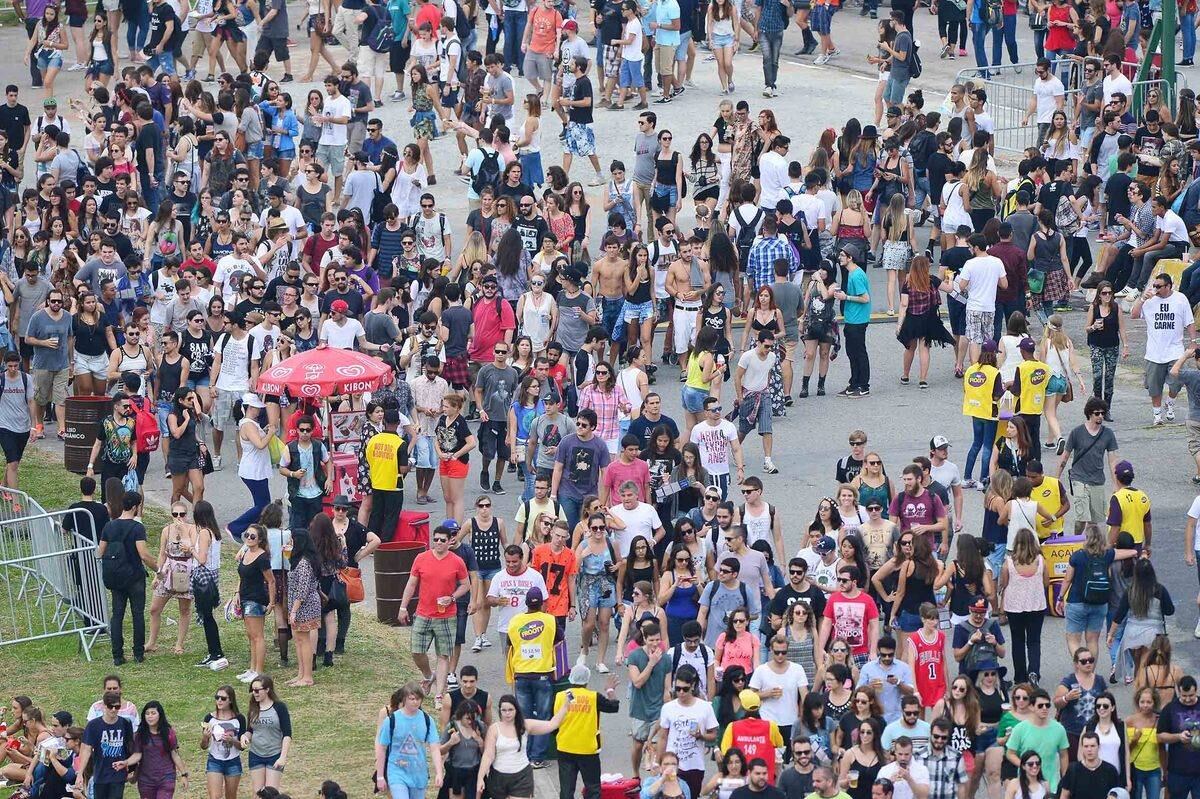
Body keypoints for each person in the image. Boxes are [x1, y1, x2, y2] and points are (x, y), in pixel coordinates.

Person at [398, 523, 471, 704]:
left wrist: (452, 598)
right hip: (423, 613)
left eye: (442, 540)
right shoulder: (421, 558)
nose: (438, 543)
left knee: (443, 655)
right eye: (435, 539)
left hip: (446, 616)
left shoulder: (456, 561)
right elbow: (412, 584)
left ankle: (439, 694)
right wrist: (403, 607)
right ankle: (429, 675)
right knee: (416, 651)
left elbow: (466, 585)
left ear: (450, 541)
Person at [96, 491, 156, 666]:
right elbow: (144, 555)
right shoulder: (137, 528)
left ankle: (117, 655)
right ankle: (138, 653)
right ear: (136, 507)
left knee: (117, 615)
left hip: (115, 576)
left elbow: (100, 552)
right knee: (137, 614)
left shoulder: (109, 526)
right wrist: (158, 570)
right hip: (134, 576)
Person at [1055, 398, 1121, 535]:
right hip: (1079, 478)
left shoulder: (1108, 434)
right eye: (1097, 413)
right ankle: (1076, 541)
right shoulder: (1077, 432)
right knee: (1081, 518)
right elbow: (1065, 456)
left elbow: (1112, 460)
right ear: (1089, 414)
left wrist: (1116, 484)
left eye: (1103, 413)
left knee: (1095, 521)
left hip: (1097, 480)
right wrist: (1056, 478)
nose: (1101, 416)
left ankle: (1091, 547)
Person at [555, 662, 621, 799]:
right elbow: (614, 707)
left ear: (570, 678)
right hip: (588, 750)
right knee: (593, 789)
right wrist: (610, 690)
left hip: (565, 748)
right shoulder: (593, 697)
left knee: (566, 791)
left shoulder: (560, 696)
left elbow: (553, 722)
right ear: (587, 679)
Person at [657, 663, 718, 799]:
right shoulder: (668, 708)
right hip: (671, 764)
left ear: (693, 687)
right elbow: (663, 737)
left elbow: (713, 735)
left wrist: (700, 736)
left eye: (685, 689)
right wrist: (657, 762)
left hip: (695, 765)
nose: (681, 693)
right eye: (678, 689)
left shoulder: (705, 707)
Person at [375, 681, 444, 799]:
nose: (415, 702)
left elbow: (434, 748)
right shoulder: (392, 720)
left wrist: (439, 772)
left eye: (418, 699)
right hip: (397, 772)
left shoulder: (427, 720)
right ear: (404, 699)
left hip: (419, 773)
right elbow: (382, 748)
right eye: (412, 699)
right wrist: (380, 776)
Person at [1005, 688, 1070, 794]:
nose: (1044, 708)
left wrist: (1065, 780)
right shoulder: (1020, 729)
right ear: (1031, 707)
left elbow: (1064, 755)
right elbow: (1010, 753)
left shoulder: (1059, 729)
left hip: (1051, 785)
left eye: (1047, 705)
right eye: (1040, 706)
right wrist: (1025, 766)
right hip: (1026, 786)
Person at [628, 620, 672, 774]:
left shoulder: (666, 659)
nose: (655, 643)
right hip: (639, 709)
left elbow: (667, 686)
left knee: (657, 745)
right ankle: (635, 774)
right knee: (638, 745)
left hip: (658, 709)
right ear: (645, 639)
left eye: (658, 640)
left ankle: (657, 777)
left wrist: (668, 699)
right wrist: (651, 663)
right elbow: (637, 682)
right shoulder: (634, 656)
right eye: (652, 640)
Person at [76, 690, 135, 799]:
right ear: (104, 706)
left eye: (117, 707)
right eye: (110, 706)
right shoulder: (93, 725)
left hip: (118, 774)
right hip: (100, 773)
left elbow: (130, 746)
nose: (113, 710)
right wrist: (80, 773)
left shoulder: (125, 723)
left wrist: (131, 767)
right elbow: (86, 749)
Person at [721, 692, 786, 784]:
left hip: (739, 781)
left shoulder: (732, 727)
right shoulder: (771, 726)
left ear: (742, 707)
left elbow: (725, 753)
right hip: (764, 780)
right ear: (759, 706)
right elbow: (780, 746)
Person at [1058, 732, 1120, 799]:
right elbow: (1064, 795)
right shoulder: (1073, 769)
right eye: (1086, 746)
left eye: (1092, 746)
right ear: (1082, 748)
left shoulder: (1110, 770)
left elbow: (1116, 794)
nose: (1089, 749)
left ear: (1099, 747)